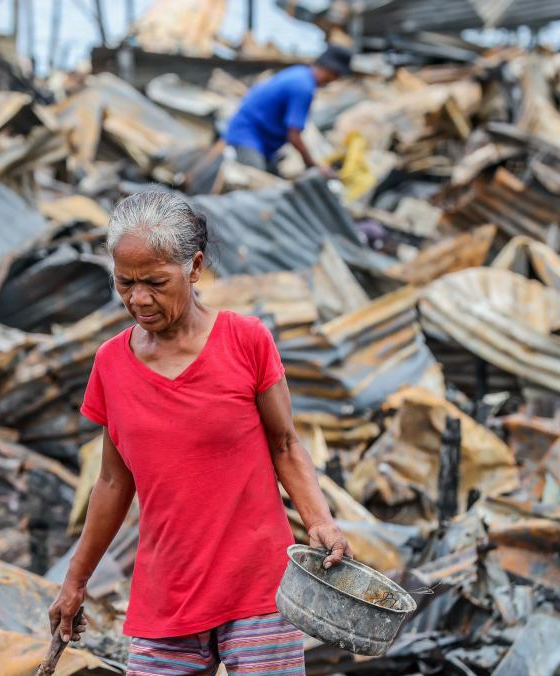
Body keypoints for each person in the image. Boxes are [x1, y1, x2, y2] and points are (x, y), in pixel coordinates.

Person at [49, 190, 351, 675]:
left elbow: (286, 444)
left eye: (154, 281)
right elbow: (111, 482)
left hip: (257, 588)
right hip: (166, 592)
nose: (138, 298)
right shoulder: (110, 363)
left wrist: (320, 521)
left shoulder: (245, 340)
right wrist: (75, 581)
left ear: (193, 267)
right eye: (124, 282)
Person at [224, 44, 354, 175]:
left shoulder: (299, 73)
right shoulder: (303, 87)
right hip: (247, 136)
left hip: (259, 140)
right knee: (255, 181)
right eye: (335, 76)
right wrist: (312, 165)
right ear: (331, 71)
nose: (332, 81)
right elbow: (294, 136)